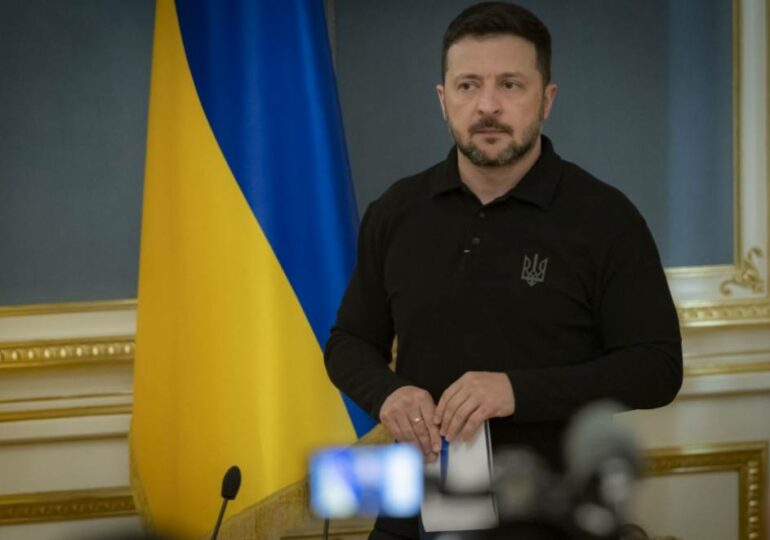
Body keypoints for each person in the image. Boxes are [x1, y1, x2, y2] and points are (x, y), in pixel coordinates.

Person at [324, 2, 682, 538]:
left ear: (547, 99)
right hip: (416, 513)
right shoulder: (396, 211)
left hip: (554, 515)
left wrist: (516, 391)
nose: (487, 105)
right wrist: (388, 394)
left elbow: (657, 368)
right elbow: (349, 341)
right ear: (443, 100)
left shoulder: (606, 218)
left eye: (510, 85)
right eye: (468, 85)